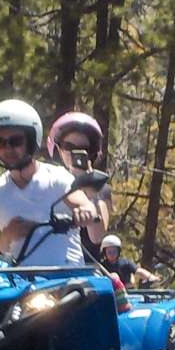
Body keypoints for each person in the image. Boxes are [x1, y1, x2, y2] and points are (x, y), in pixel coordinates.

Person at [0, 99, 103, 266]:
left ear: (31, 140)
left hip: (66, 280)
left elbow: (82, 202)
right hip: (20, 284)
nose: (7, 148)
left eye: (15, 141)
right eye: (0, 142)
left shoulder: (57, 178)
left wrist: (86, 211)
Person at [44, 111, 113, 260]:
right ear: (58, 149)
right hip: (46, 264)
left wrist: (89, 185)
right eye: (68, 146)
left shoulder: (101, 187)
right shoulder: (46, 181)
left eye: (83, 148)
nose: (74, 152)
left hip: (85, 269)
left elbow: (97, 236)